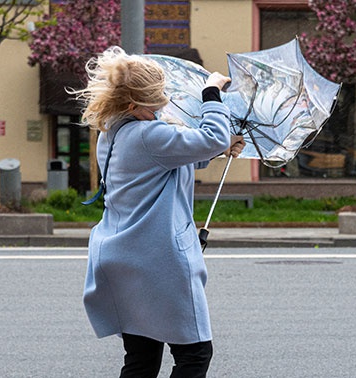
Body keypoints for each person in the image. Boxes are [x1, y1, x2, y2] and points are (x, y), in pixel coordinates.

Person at [74, 46, 244, 378]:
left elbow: (173, 158)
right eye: (156, 103)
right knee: (194, 355)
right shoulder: (149, 135)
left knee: (141, 359)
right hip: (159, 261)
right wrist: (211, 93)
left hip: (123, 258)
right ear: (133, 105)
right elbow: (205, 138)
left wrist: (221, 147)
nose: (162, 106)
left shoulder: (112, 132)